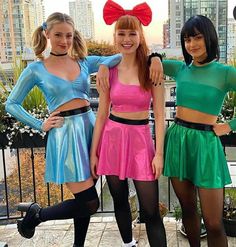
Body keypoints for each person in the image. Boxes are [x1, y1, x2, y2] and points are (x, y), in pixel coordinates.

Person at [5, 12, 122, 247]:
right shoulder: (36, 69)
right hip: (66, 135)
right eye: (58, 35)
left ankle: (78, 245)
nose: (64, 40)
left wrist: (101, 68)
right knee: (89, 202)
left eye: (68, 35)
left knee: (84, 197)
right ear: (47, 34)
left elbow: (118, 56)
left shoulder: (83, 61)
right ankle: (37, 214)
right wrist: (40, 124)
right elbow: (11, 103)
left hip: (89, 129)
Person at [152, 15, 236, 247]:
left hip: (206, 145)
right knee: (188, 210)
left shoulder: (225, 72)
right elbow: (146, 60)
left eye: (197, 37)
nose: (192, 44)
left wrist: (230, 126)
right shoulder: (181, 69)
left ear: (209, 38)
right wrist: (156, 58)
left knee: (214, 223)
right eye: (187, 39)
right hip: (178, 139)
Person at [90, 1, 167, 247]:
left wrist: (159, 154)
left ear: (140, 36)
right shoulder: (109, 71)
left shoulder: (152, 69)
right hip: (112, 140)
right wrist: (94, 153)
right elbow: (101, 114)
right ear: (115, 37)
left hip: (142, 142)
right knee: (119, 201)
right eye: (121, 33)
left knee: (151, 211)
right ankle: (128, 244)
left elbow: (160, 116)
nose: (127, 38)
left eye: (132, 33)